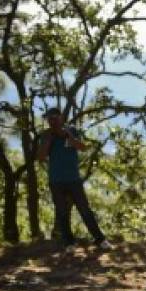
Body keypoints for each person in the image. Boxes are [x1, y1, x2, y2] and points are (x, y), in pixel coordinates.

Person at [37, 107, 111, 250]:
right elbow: (40, 157)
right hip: (56, 180)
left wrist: (67, 136)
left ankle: (100, 240)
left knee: (84, 210)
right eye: (49, 119)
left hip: (73, 179)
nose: (51, 121)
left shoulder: (71, 130)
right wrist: (48, 140)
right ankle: (69, 242)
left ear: (61, 118)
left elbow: (82, 147)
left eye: (54, 118)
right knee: (62, 212)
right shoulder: (45, 135)